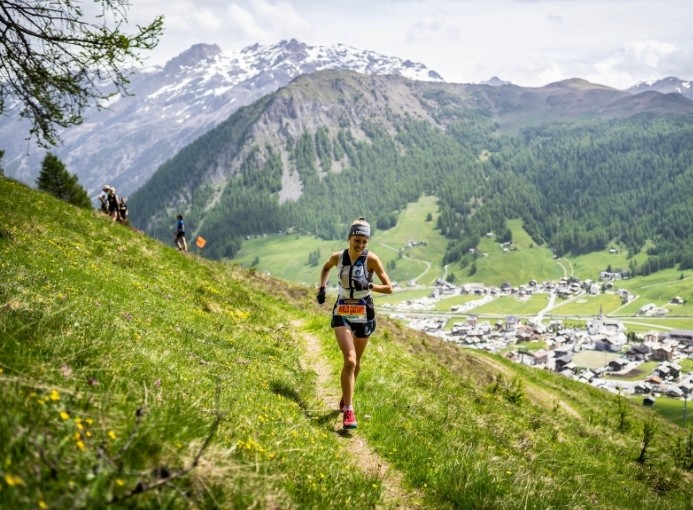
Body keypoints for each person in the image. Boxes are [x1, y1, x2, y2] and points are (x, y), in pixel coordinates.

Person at [316, 217, 393, 430]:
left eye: (364, 242)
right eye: (357, 240)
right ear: (349, 238)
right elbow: (325, 268)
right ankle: (349, 410)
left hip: (364, 311)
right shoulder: (338, 257)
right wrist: (322, 288)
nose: (360, 246)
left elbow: (389, 288)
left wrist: (369, 284)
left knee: (356, 362)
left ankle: (345, 395)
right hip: (342, 310)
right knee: (349, 360)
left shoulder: (372, 260)